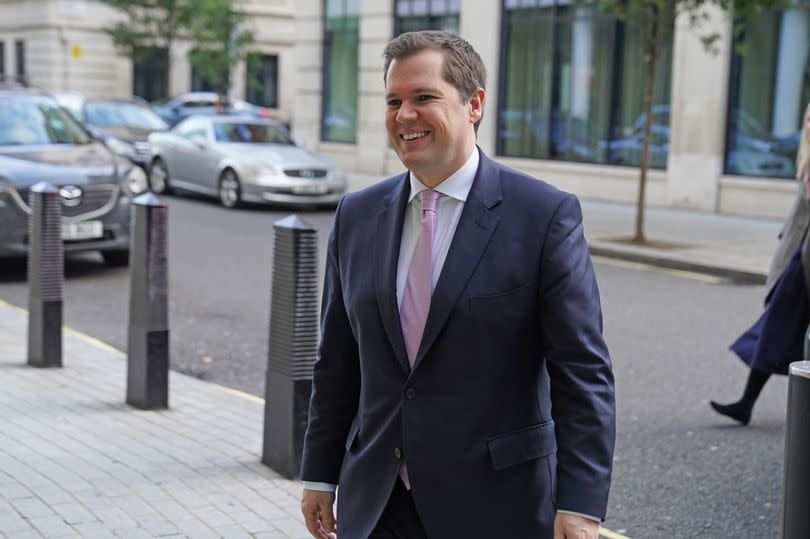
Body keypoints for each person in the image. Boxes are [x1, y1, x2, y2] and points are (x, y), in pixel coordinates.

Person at [300, 30, 616, 539]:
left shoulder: (544, 216)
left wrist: (580, 504)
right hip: (376, 504)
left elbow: (582, 373)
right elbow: (336, 361)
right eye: (394, 101)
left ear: (474, 104)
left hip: (495, 505)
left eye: (424, 97)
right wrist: (319, 473)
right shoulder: (355, 215)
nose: (404, 115)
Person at [711, 101, 810, 426]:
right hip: (801, 250)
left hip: (803, 255)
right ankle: (746, 402)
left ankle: (746, 403)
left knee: (779, 322)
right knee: (778, 323)